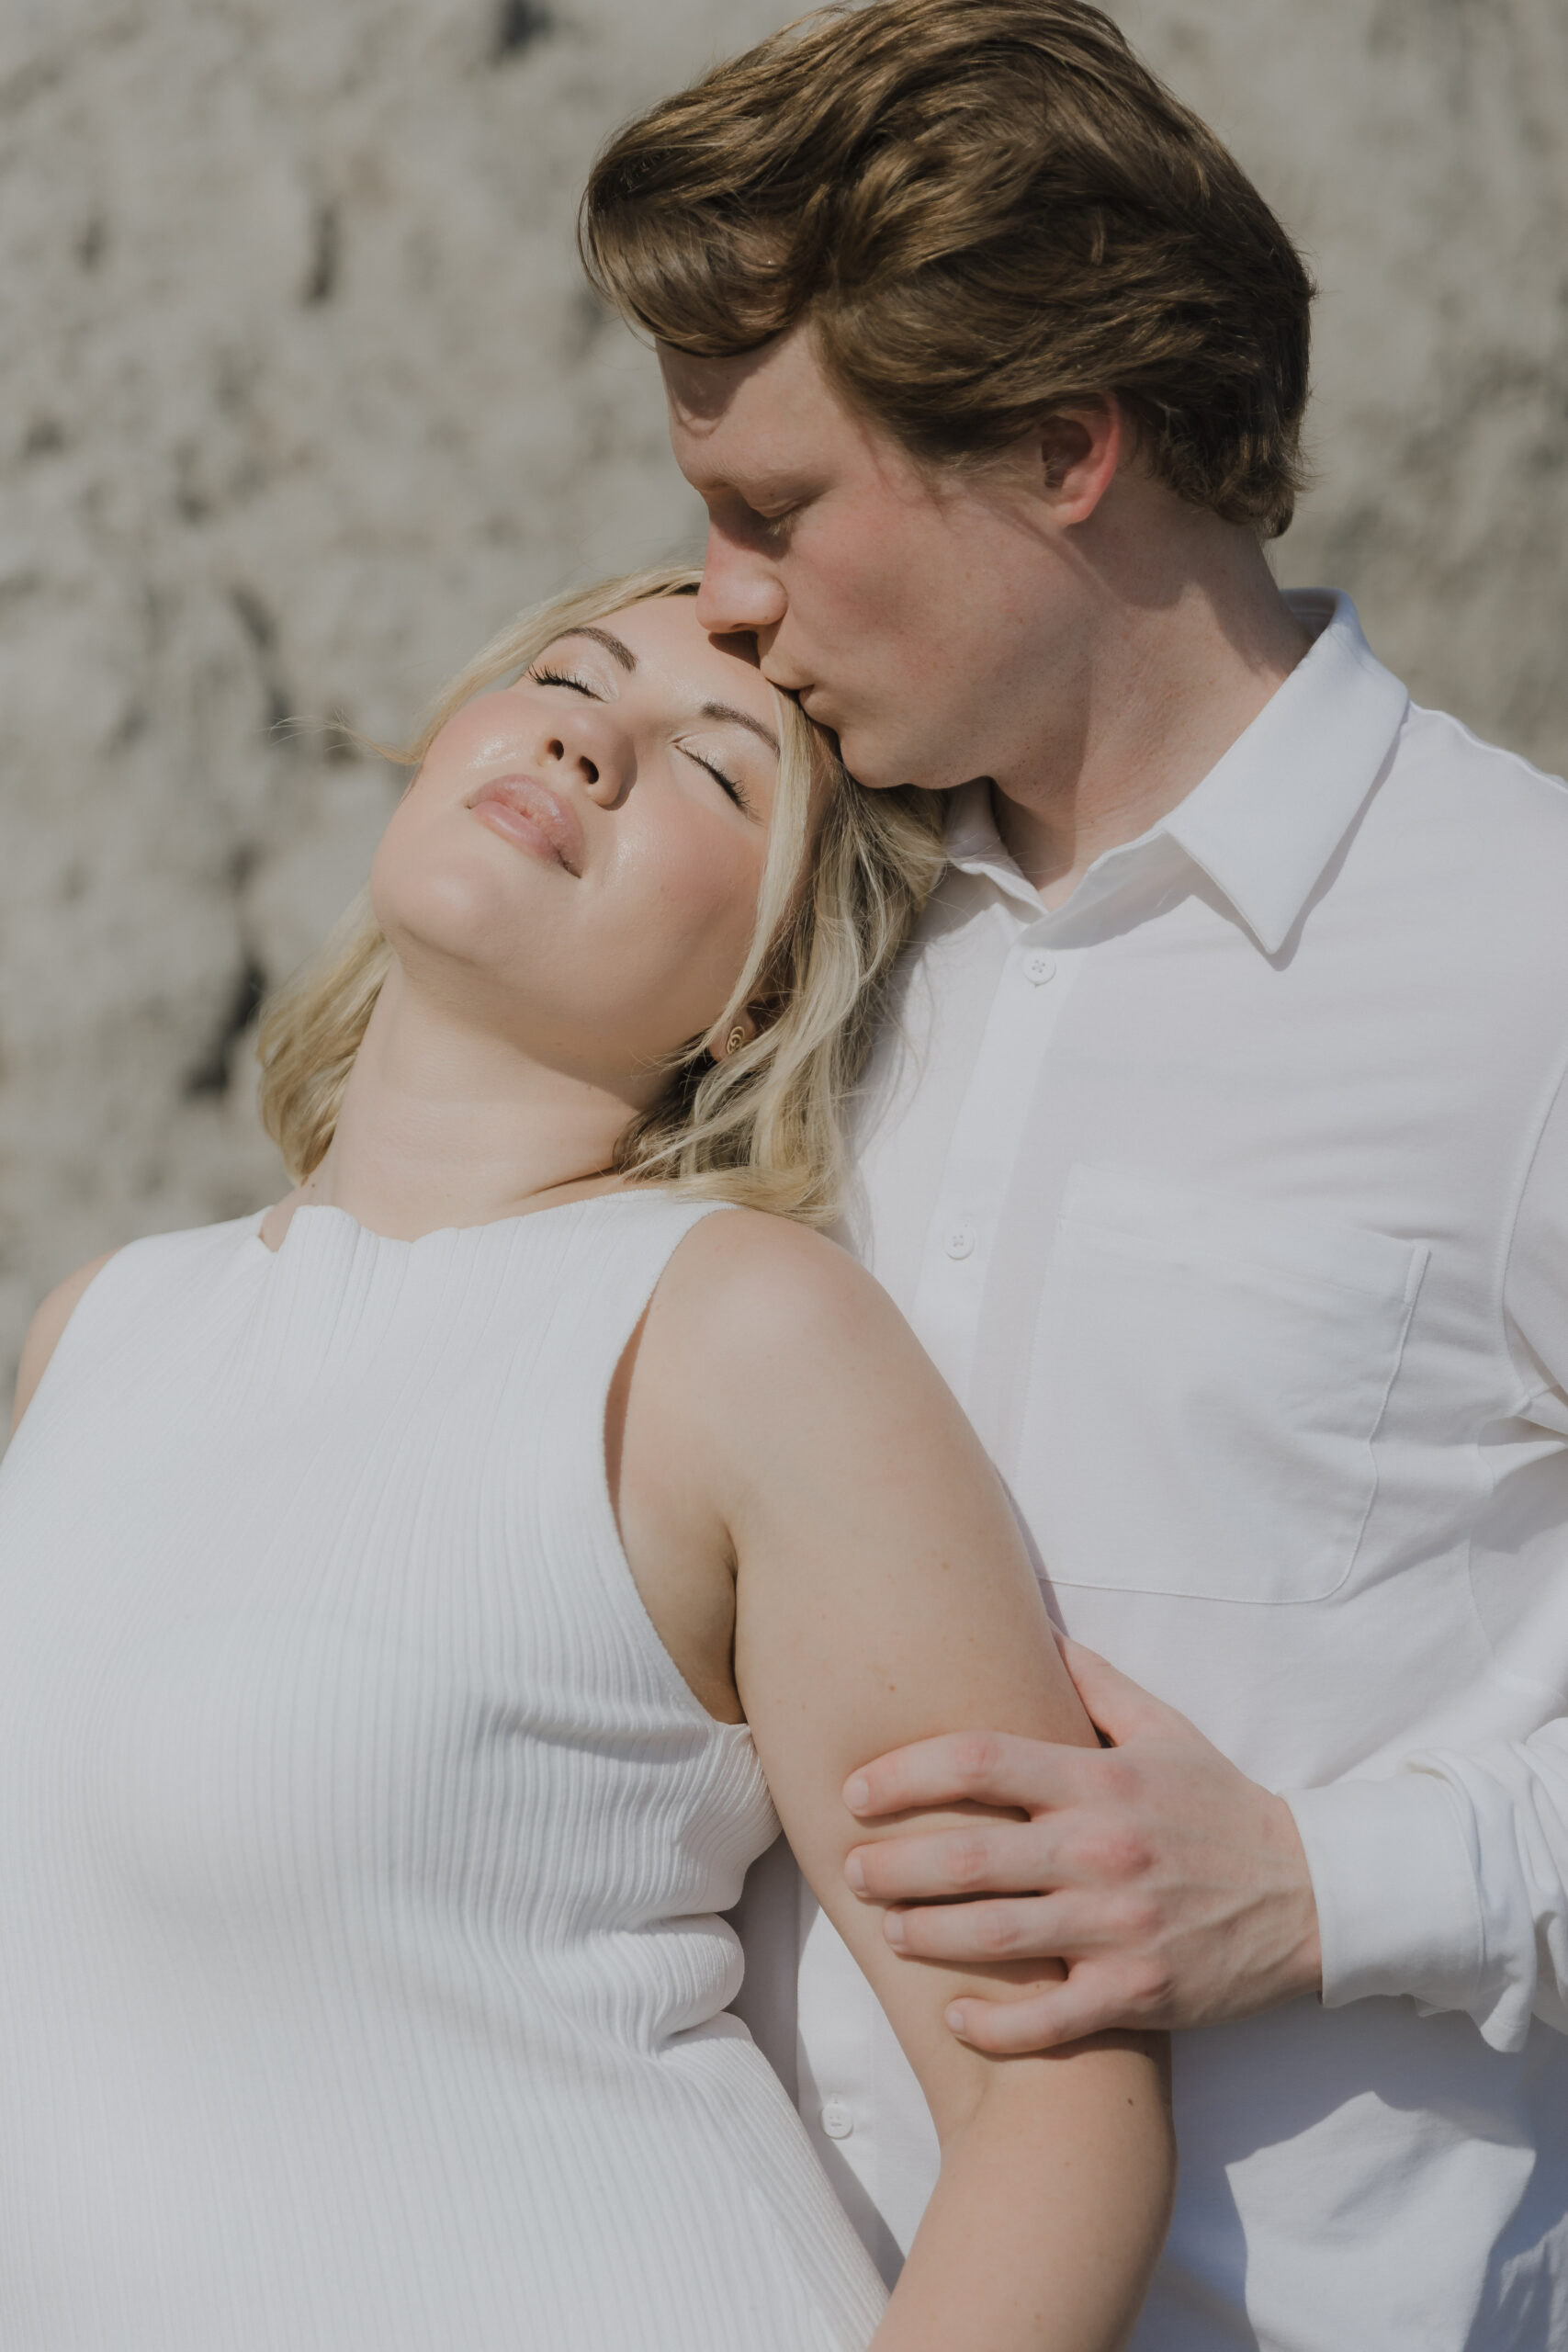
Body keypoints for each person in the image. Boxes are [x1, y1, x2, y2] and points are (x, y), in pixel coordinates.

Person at [580, 4, 1568, 2346]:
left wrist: (1336, 1885)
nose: (722, 597)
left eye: (776, 510)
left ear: (1059, 444)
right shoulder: (781, 935)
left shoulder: (1529, 960)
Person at [0, 565, 1172, 2351]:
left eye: (711, 767)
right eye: (564, 673)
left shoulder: (734, 1334)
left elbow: (1056, 2104)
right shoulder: (103, 1327)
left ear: (765, 985)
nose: (586, 740)